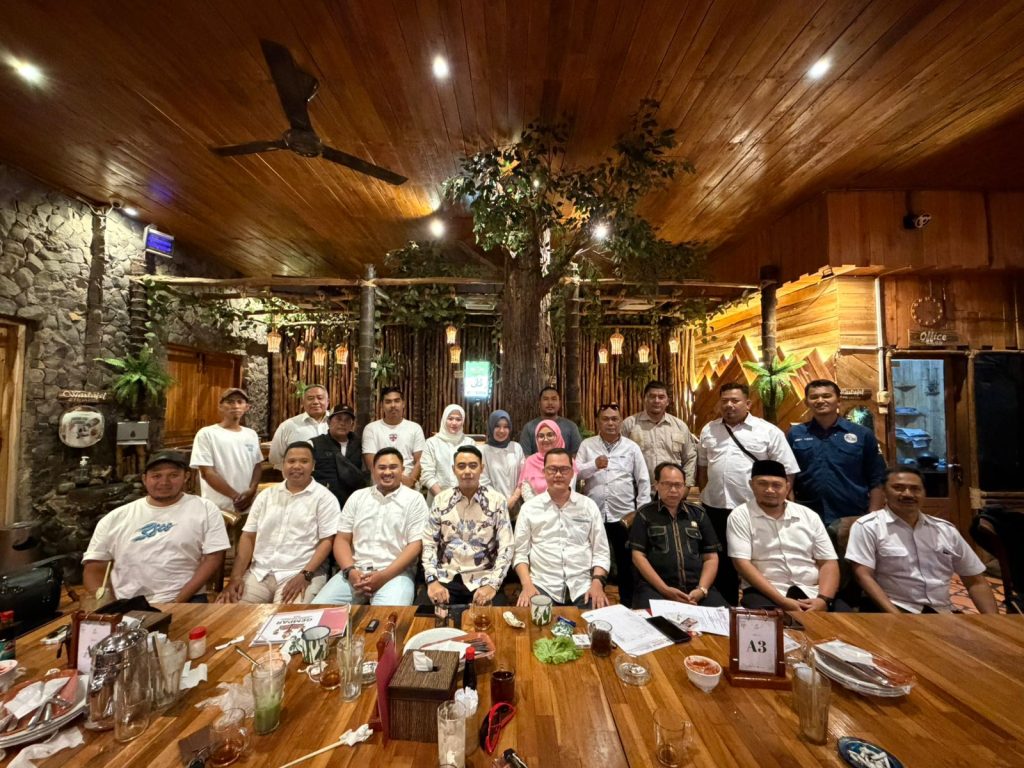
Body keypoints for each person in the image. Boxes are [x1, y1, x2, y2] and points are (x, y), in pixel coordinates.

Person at [697, 381, 800, 605]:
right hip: (714, 508)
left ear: (748, 403)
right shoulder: (709, 429)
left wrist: (778, 503)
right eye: (725, 401)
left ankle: (760, 604)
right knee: (720, 560)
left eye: (735, 401)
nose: (729, 405)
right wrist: (706, 490)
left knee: (753, 559)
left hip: (751, 510)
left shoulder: (768, 431)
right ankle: (725, 607)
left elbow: (787, 471)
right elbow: (703, 468)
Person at [83, 451, 229, 604]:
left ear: (186, 476)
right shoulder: (115, 518)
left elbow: (213, 558)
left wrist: (178, 601)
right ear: (145, 479)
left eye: (173, 475)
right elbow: (95, 567)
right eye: (156, 476)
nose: (164, 482)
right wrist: (111, 607)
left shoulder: (205, 508)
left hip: (187, 598)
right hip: (127, 602)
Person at [846, 468, 998, 614]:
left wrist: (995, 622)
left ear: (924, 493)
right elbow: (863, 576)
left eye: (915, 489)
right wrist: (897, 617)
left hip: (942, 611)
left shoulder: (945, 530)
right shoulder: (869, 526)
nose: (908, 494)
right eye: (898, 488)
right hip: (894, 608)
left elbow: (975, 581)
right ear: (884, 492)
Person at [219, 442, 338, 604]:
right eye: (291, 461)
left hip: (300, 572)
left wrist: (306, 574)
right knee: (228, 611)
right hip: (260, 573)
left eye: (304, 461)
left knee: (289, 617)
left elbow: (327, 541)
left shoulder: (325, 498)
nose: (297, 466)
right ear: (283, 464)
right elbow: (248, 537)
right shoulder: (265, 496)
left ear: (313, 465)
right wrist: (236, 577)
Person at [727, 459, 842, 612]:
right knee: (767, 618)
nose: (769, 490)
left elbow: (828, 562)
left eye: (776, 485)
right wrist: (782, 601)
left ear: (787, 487)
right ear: (751, 485)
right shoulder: (740, 516)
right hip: (766, 592)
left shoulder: (809, 516)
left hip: (812, 591)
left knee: (847, 619)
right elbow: (742, 564)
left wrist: (823, 599)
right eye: (762, 484)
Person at [318, 448, 429, 605]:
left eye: (393, 467)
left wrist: (383, 576)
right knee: (318, 612)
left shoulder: (414, 499)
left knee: (388, 618)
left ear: (402, 470)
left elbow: (415, 545)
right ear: (373, 469)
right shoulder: (357, 497)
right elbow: (342, 539)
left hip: (395, 575)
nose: (387, 472)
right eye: (382, 467)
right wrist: (350, 571)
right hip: (355, 572)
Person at [513, 448, 611, 608]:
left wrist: (597, 583)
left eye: (564, 469)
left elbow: (601, 552)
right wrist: (527, 585)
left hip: (583, 587)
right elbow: (520, 553)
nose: (558, 474)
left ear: (572, 473)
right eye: (552, 469)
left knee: (597, 622)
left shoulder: (588, 506)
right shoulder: (529, 509)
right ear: (544, 472)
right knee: (533, 622)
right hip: (542, 587)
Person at [576, 402, 651, 608]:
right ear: (597, 422)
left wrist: (639, 513)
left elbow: (643, 480)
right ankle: (590, 601)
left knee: (626, 563)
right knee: (591, 560)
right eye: (605, 419)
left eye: (614, 419)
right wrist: (594, 465)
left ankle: (628, 605)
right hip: (594, 514)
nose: (610, 423)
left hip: (623, 516)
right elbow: (576, 473)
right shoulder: (587, 445)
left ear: (621, 422)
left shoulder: (631, 447)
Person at [787, 379, 886, 531]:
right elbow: (788, 474)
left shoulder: (862, 434)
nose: (820, 400)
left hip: (852, 515)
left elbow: (877, 477)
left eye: (826, 396)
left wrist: (872, 517)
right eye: (814, 397)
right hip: (806, 516)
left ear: (838, 401)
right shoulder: (795, 434)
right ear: (807, 403)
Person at [422, 445, 514, 606]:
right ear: (454, 469)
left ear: (481, 468)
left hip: (484, 578)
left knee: (494, 619)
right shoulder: (441, 500)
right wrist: (432, 581)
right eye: (461, 466)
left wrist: (492, 585)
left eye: (473, 465)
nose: (467, 471)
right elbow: (429, 543)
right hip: (445, 578)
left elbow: (507, 547)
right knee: (423, 617)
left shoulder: (497, 501)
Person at [629, 462, 726, 609]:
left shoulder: (698, 514)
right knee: (648, 620)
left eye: (678, 485)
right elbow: (638, 556)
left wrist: (701, 590)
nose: (673, 490)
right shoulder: (644, 514)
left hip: (696, 588)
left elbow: (711, 557)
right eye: (667, 484)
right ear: (657, 485)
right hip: (656, 588)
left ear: (685, 487)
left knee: (726, 618)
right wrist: (664, 590)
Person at [189, 388, 263, 516]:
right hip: (218, 508)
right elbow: (207, 472)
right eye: (230, 402)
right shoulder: (207, 434)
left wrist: (252, 491)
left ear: (247, 407)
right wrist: (235, 496)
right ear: (220, 407)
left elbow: (257, 465)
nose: (235, 406)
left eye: (240, 402)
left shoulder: (251, 434)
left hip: (249, 505)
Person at [622, 380, 697, 484]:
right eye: (652, 396)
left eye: (661, 397)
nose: (656, 401)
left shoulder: (680, 426)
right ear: (644, 399)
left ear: (667, 401)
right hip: (638, 488)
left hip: (672, 489)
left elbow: (690, 457)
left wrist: (686, 485)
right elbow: (619, 457)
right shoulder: (629, 425)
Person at [361, 387, 425, 488]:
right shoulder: (371, 429)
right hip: (381, 486)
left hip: (410, 487)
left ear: (403, 403)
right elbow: (371, 464)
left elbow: (420, 459)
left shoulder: (415, 428)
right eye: (388, 402)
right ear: (381, 405)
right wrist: (400, 479)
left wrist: (411, 480)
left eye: (397, 401)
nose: (393, 405)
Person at [311, 404, 368, 512]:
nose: (342, 423)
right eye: (338, 419)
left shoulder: (361, 444)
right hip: (323, 505)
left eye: (347, 420)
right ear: (328, 422)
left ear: (352, 425)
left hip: (353, 505)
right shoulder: (314, 444)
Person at [420, 404, 476, 505]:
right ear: (444, 419)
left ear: (463, 421)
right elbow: (427, 475)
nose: (454, 423)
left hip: (464, 499)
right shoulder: (432, 443)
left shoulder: (469, 442)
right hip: (438, 498)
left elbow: (474, 472)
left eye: (458, 419)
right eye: (450, 419)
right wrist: (444, 500)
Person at [268, 384, 329, 468]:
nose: (315, 402)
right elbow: (275, 459)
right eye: (310, 398)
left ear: (327, 402)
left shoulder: (339, 424)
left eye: (320, 398)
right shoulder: (288, 426)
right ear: (303, 402)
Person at [518, 420, 576, 502]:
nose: (545, 439)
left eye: (550, 435)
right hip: (535, 507)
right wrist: (537, 507)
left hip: (564, 506)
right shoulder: (530, 462)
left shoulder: (568, 460)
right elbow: (526, 491)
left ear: (558, 436)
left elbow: (569, 488)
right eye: (541, 436)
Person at [480, 410, 524, 511]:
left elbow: (523, 477)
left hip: (516, 505)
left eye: (506, 427)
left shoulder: (516, 447)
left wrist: (514, 498)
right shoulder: (483, 451)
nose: (502, 430)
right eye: (497, 426)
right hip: (492, 507)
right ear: (491, 427)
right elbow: (483, 482)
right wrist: (502, 503)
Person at [519, 386, 583, 456]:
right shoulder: (529, 427)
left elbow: (577, 455)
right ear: (539, 403)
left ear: (560, 403)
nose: (550, 403)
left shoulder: (570, 426)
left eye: (554, 399)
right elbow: (525, 456)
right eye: (546, 399)